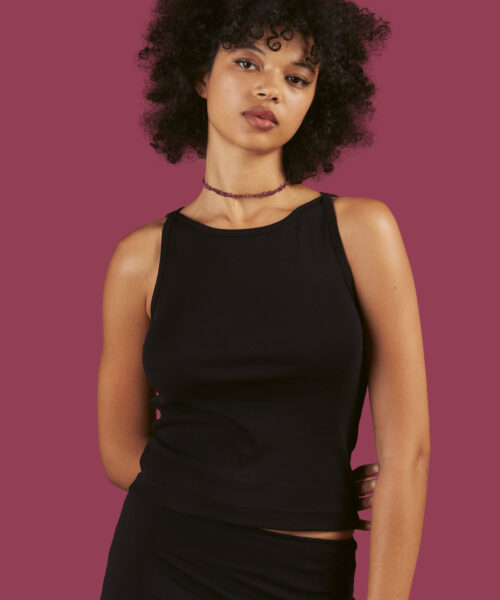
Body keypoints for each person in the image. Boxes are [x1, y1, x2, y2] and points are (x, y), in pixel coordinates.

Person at [98, 1, 430, 598]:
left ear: (316, 98)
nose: (270, 89)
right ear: (200, 76)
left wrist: (302, 488)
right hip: (162, 558)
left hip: (305, 571)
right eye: (247, 62)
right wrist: (280, 483)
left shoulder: (361, 230)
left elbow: (409, 454)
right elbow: (121, 452)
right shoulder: (140, 257)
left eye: (296, 77)